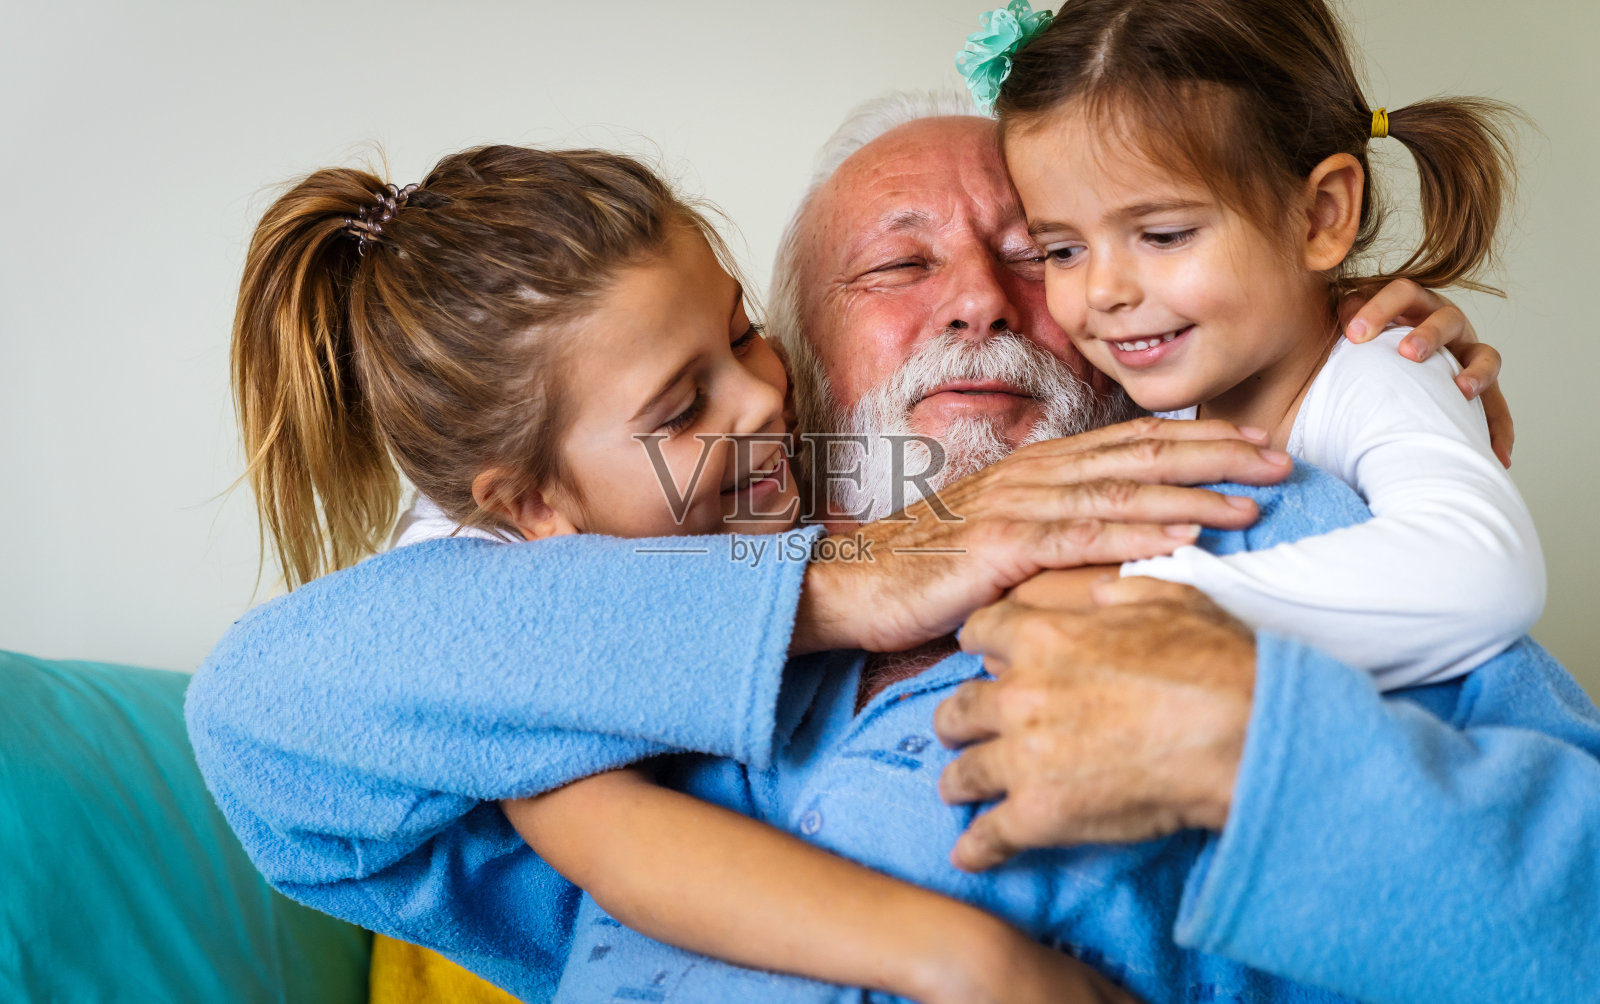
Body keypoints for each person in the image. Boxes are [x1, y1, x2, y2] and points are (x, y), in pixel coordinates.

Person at [183, 97, 1576, 1004]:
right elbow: (261, 724)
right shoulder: (634, 648)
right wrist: (838, 590)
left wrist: (1256, 744)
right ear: (809, 349)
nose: (976, 296)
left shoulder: (1280, 523)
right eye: (897, 268)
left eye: (1038, 253)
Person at [222, 142, 1148, 1002]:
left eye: (744, 335)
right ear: (533, 506)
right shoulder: (515, 619)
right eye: (678, 410)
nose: (760, 397)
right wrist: (975, 960)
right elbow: (633, 854)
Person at [977, 0, 1543, 691]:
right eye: (1062, 249)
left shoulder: (1381, 371)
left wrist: (1134, 594)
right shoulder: (1162, 394)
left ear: (1321, 214)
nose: (1102, 291)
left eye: (1164, 235)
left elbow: (1483, 575)